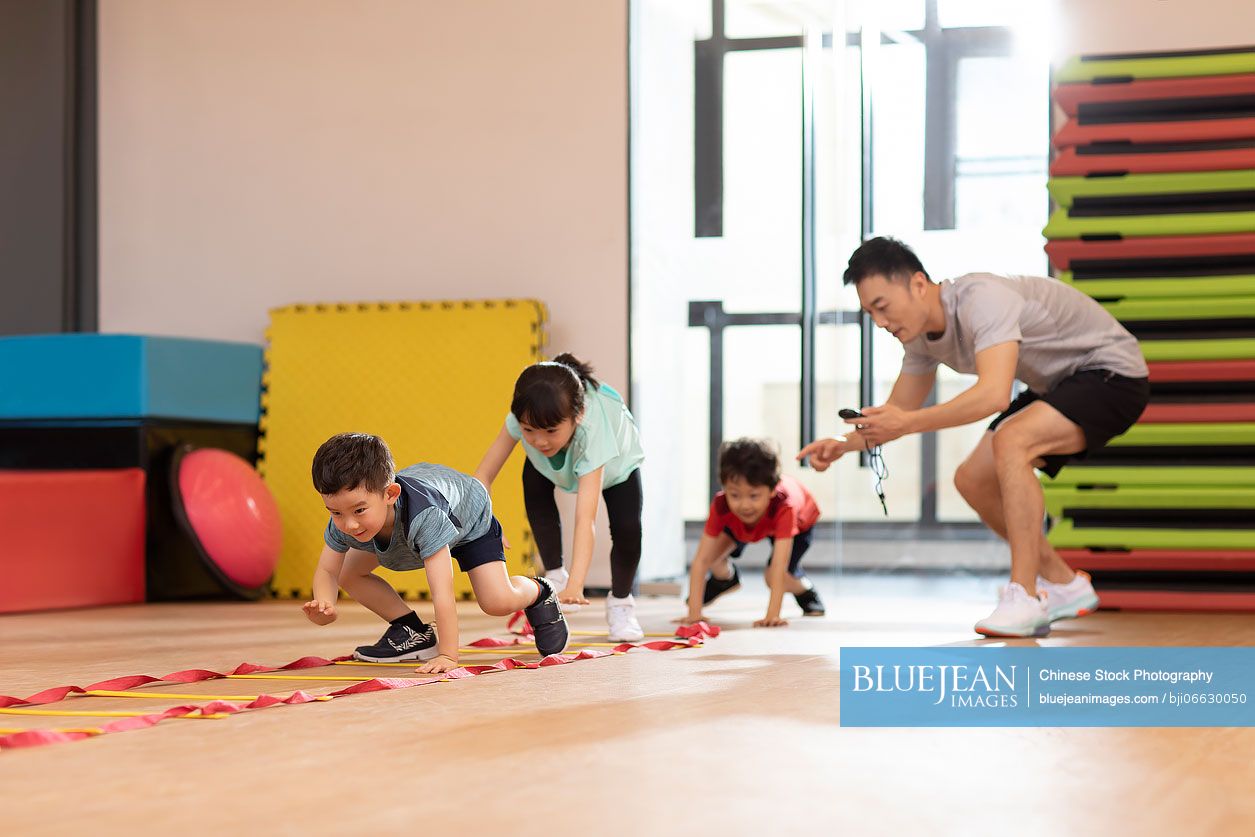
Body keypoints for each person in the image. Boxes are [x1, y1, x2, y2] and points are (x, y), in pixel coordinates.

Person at [798, 237, 1149, 638]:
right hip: (1059, 383)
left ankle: (1025, 596)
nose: (880, 322)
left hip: (1113, 373)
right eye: (870, 312)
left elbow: (994, 394)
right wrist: (844, 445)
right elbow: (897, 413)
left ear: (916, 284)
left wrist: (906, 423)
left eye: (882, 306)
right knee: (972, 479)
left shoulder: (980, 298)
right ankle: (1064, 583)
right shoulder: (918, 340)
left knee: (1012, 440)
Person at [301, 432, 569, 672]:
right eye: (335, 512)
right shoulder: (348, 519)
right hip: (409, 521)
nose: (348, 524)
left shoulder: (424, 517)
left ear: (390, 495)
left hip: (469, 519)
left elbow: (442, 591)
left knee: (496, 602)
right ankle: (412, 631)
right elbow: (328, 570)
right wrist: (326, 604)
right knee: (349, 573)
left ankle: (540, 592)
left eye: (359, 510)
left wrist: (449, 656)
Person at [475, 354, 646, 642]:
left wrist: (577, 585)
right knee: (533, 480)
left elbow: (585, 519)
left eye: (551, 431)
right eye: (529, 431)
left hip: (617, 467)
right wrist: (484, 522)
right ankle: (555, 574)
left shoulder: (593, 432)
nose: (539, 440)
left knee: (628, 530)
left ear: (576, 416)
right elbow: (483, 475)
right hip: (553, 463)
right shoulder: (527, 421)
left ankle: (621, 604)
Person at [680, 438, 824, 628]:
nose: (744, 505)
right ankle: (726, 580)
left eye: (753, 495)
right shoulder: (723, 505)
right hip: (749, 521)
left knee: (773, 576)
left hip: (800, 521)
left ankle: (805, 590)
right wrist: (694, 614)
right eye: (735, 495)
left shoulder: (784, 506)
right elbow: (701, 561)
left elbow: (779, 565)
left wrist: (772, 615)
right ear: (725, 488)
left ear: (771, 490)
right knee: (713, 557)